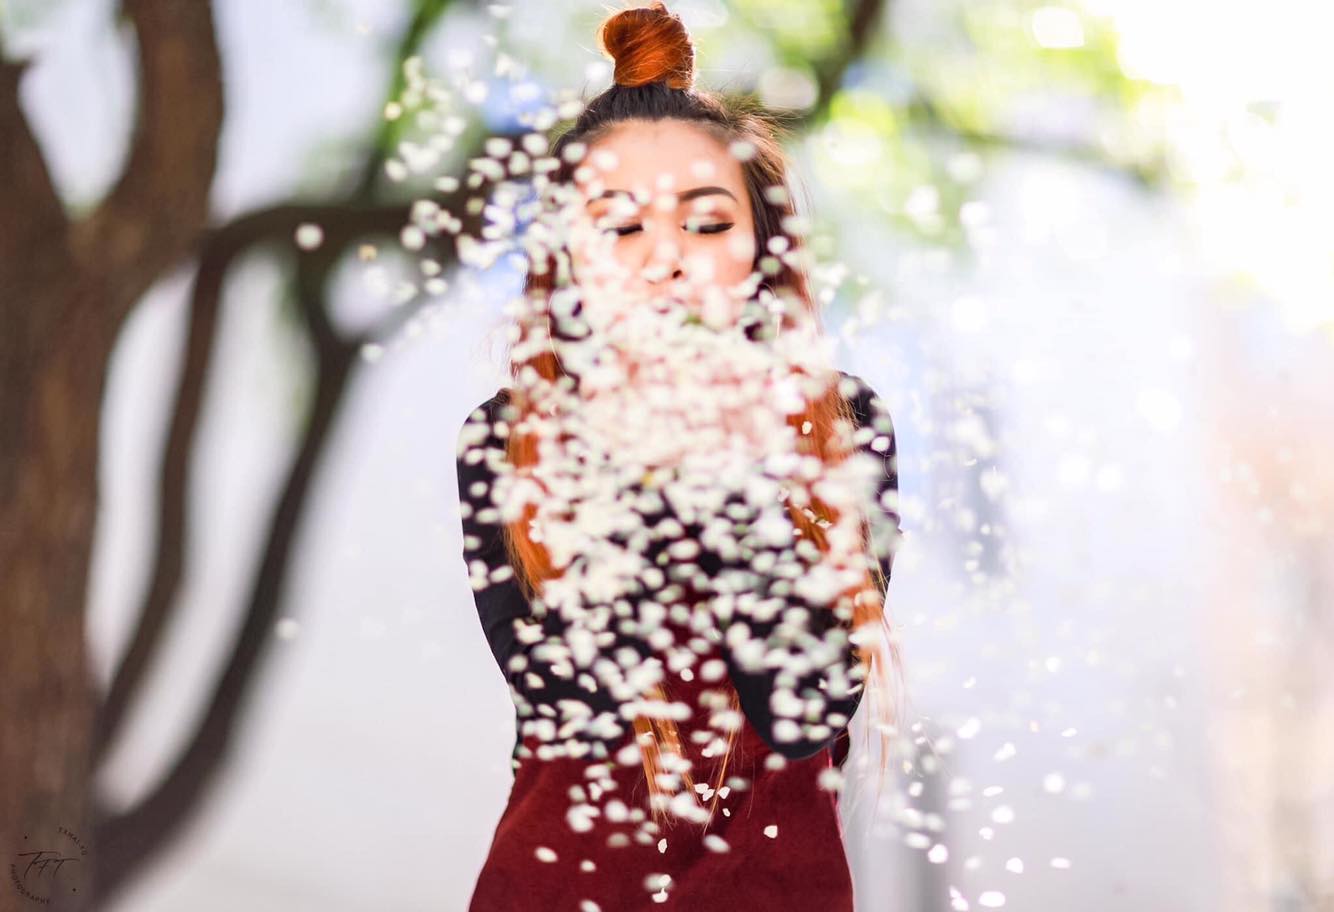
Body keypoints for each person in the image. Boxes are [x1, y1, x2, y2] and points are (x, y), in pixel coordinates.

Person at [455, 3, 904, 908]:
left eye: (705, 225)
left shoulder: (840, 422)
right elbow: (577, 706)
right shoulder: (510, 438)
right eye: (621, 228)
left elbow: (804, 712)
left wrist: (732, 476)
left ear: (761, 248)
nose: (667, 259)